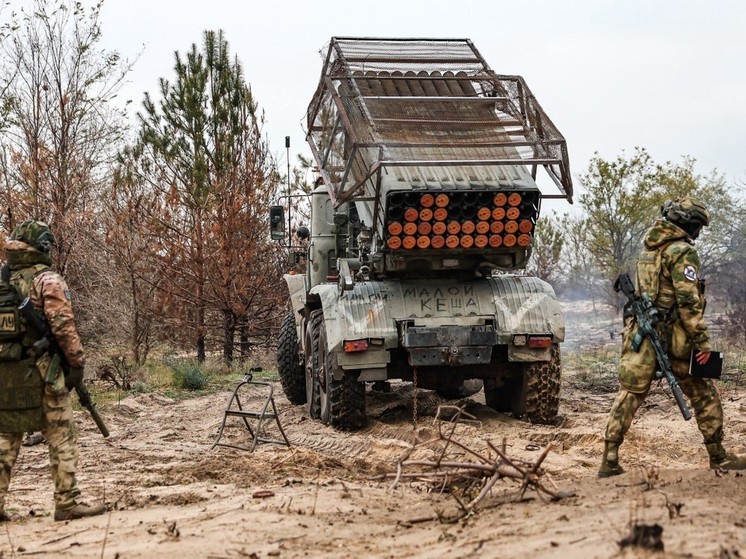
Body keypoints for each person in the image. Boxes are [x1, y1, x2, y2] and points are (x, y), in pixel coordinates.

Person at [599, 197, 746, 477]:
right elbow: (689, 304)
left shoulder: (648, 251)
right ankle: (719, 457)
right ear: (689, 225)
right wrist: (703, 345)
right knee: (704, 394)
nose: (699, 231)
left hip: (642, 337)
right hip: (675, 341)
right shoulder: (681, 252)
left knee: (629, 395)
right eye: (698, 225)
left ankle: (609, 459)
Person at [0, 220, 106, 521]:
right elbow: (63, 327)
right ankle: (68, 502)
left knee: (6, 437)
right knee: (61, 435)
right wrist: (76, 364)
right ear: (44, 246)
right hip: (43, 373)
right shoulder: (47, 280)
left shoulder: (2, 278)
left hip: (6, 373)